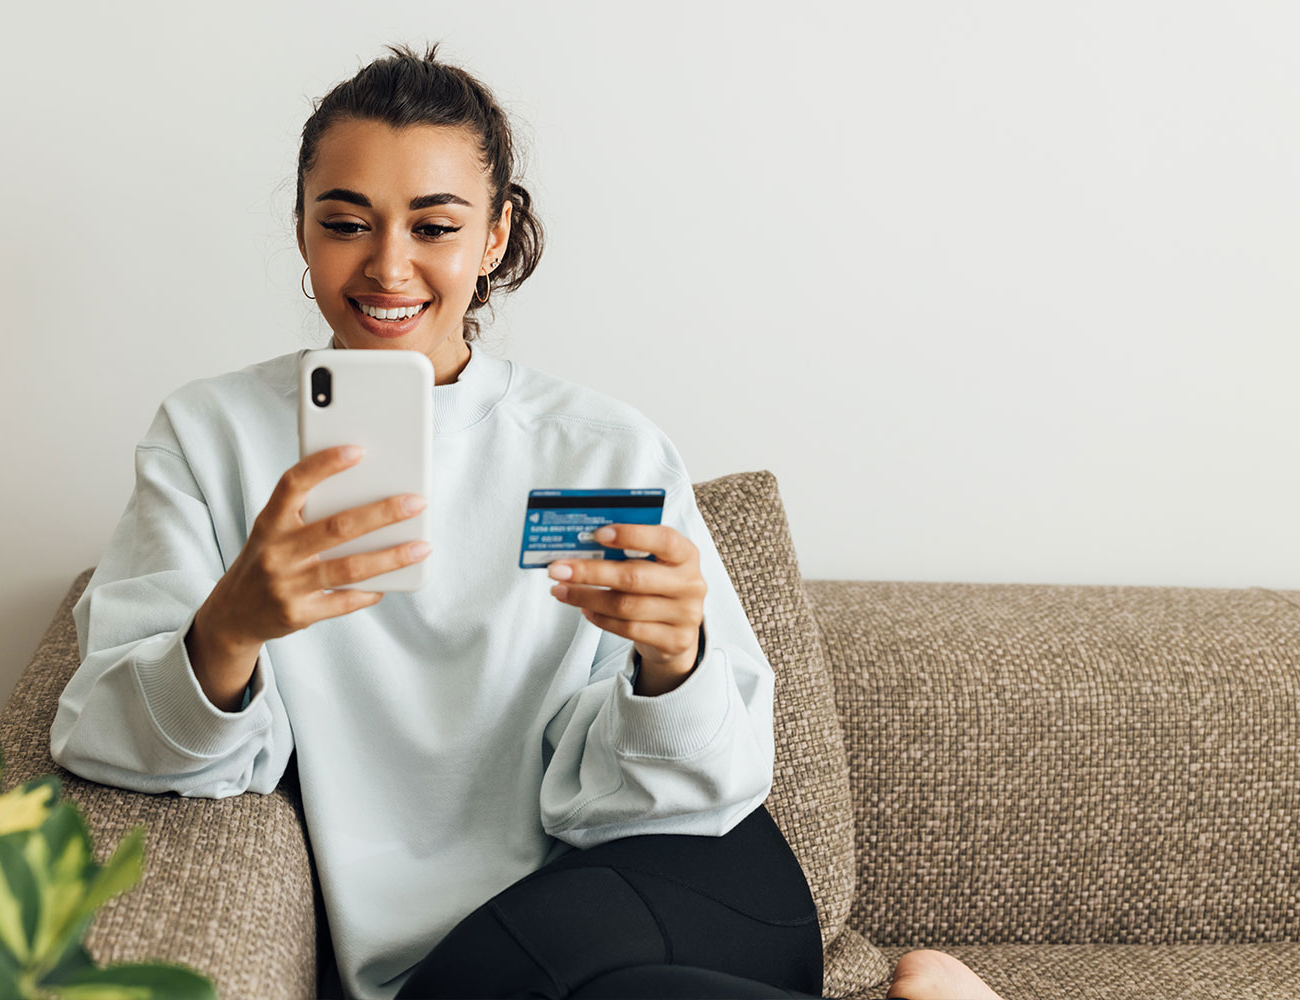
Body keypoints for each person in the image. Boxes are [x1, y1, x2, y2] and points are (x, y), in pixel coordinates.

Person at [50, 42, 1004, 1000]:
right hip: (478, 955)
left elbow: (704, 785)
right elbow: (104, 736)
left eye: (435, 227)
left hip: (673, 872)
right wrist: (232, 627)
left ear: (496, 236)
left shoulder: (600, 447)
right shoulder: (213, 437)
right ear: (302, 229)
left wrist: (672, 665)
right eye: (347, 222)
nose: (389, 267)